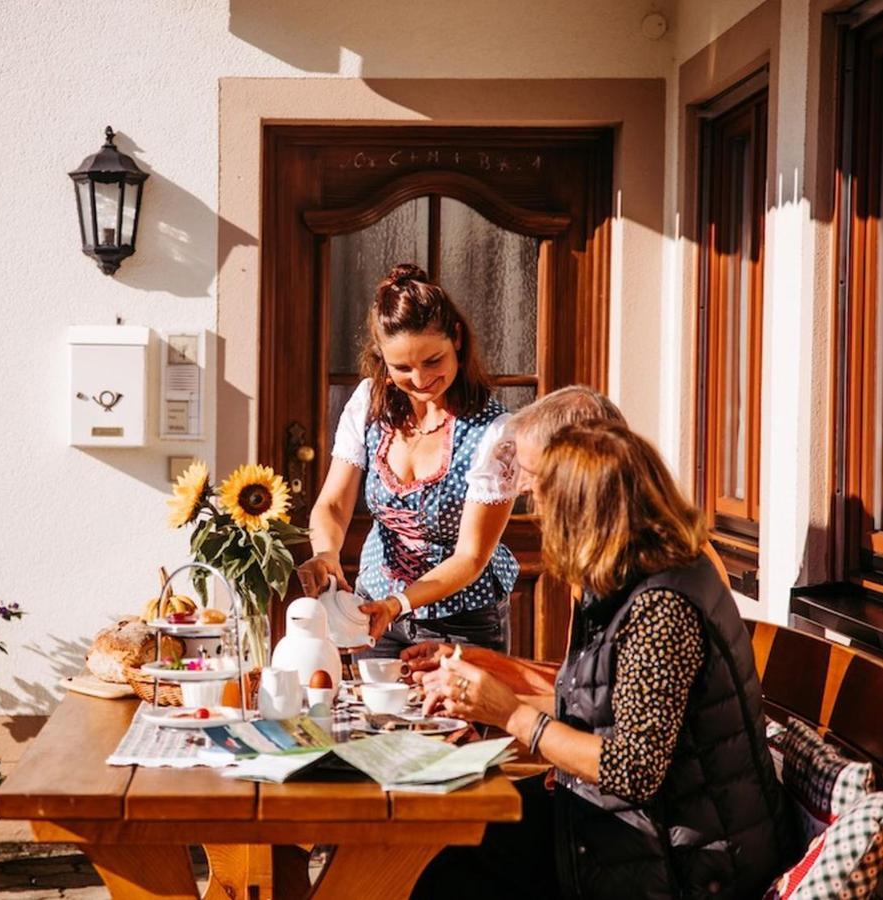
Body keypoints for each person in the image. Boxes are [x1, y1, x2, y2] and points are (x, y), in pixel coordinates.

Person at [413, 421, 794, 900]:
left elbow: (633, 768)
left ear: (585, 515)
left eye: (546, 505)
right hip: (643, 829)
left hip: (687, 865)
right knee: (456, 837)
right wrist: (481, 694)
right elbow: (598, 709)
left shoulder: (663, 607)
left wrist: (509, 714)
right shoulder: (637, 577)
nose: (540, 520)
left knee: (457, 866)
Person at [402, 385, 730, 688]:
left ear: (579, 472)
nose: (521, 487)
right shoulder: (604, 554)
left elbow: (626, 735)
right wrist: (471, 661)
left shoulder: (665, 580)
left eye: (531, 471)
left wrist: (507, 711)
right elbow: (581, 687)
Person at [296, 263, 519, 655]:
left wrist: (398, 604)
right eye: (401, 367)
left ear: (458, 339)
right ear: (382, 359)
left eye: (433, 361)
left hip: (462, 618)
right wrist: (326, 554)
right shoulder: (368, 403)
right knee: (367, 715)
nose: (419, 380)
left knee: (455, 719)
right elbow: (333, 503)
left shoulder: (496, 432)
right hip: (374, 608)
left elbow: (471, 555)